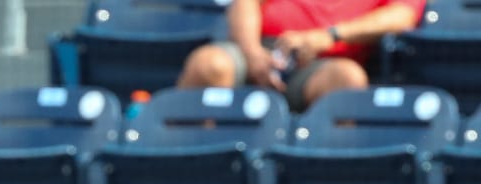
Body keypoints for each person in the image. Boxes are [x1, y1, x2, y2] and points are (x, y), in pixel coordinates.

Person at [177, 0, 427, 112]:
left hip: (322, 60)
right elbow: (246, 2)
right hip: (260, 46)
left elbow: (401, 16)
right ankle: (186, 163)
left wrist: (330, 36)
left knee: (347, 80)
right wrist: (253, 53)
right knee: (209, 64)